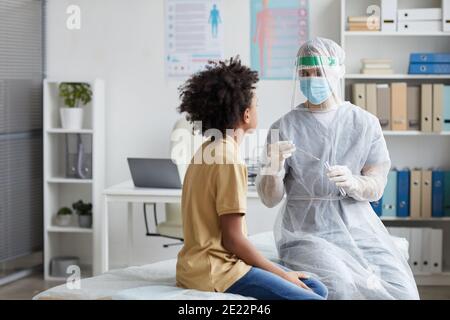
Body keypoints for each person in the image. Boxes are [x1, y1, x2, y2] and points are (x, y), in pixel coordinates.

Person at [256, 37, 420, 300]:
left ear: (337, 70)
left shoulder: (364, 123)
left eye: (318, 72)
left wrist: (355, 183)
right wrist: (272, 169)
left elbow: (376, 186)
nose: (311, 79)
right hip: (306, 231)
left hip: (357, 226)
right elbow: (269, 199)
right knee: (340, 288)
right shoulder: (284, 127)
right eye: (305, 73)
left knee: (402, 291)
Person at [175, 57, 328, 300]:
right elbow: (233, 240)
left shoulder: (206, 149)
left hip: (194, 267)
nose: (258, 109)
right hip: (217, 271)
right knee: (312, 296)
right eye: (256, 105)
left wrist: (279, 273)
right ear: (246, 115)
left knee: (316, 287)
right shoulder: (228, 159)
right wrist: (281, 274)